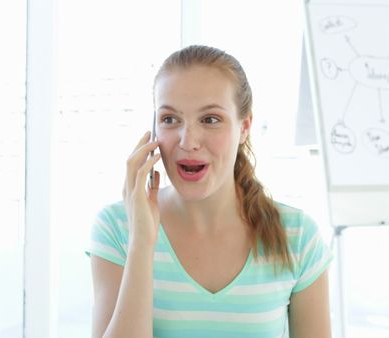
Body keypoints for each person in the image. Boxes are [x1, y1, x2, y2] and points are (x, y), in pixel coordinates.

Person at [87, 45, 333, 338]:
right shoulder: (118, 228)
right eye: (170, 119)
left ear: (244, 127)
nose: (188, 141)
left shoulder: (298, 236)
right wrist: (141, 240)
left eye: (210, 119)